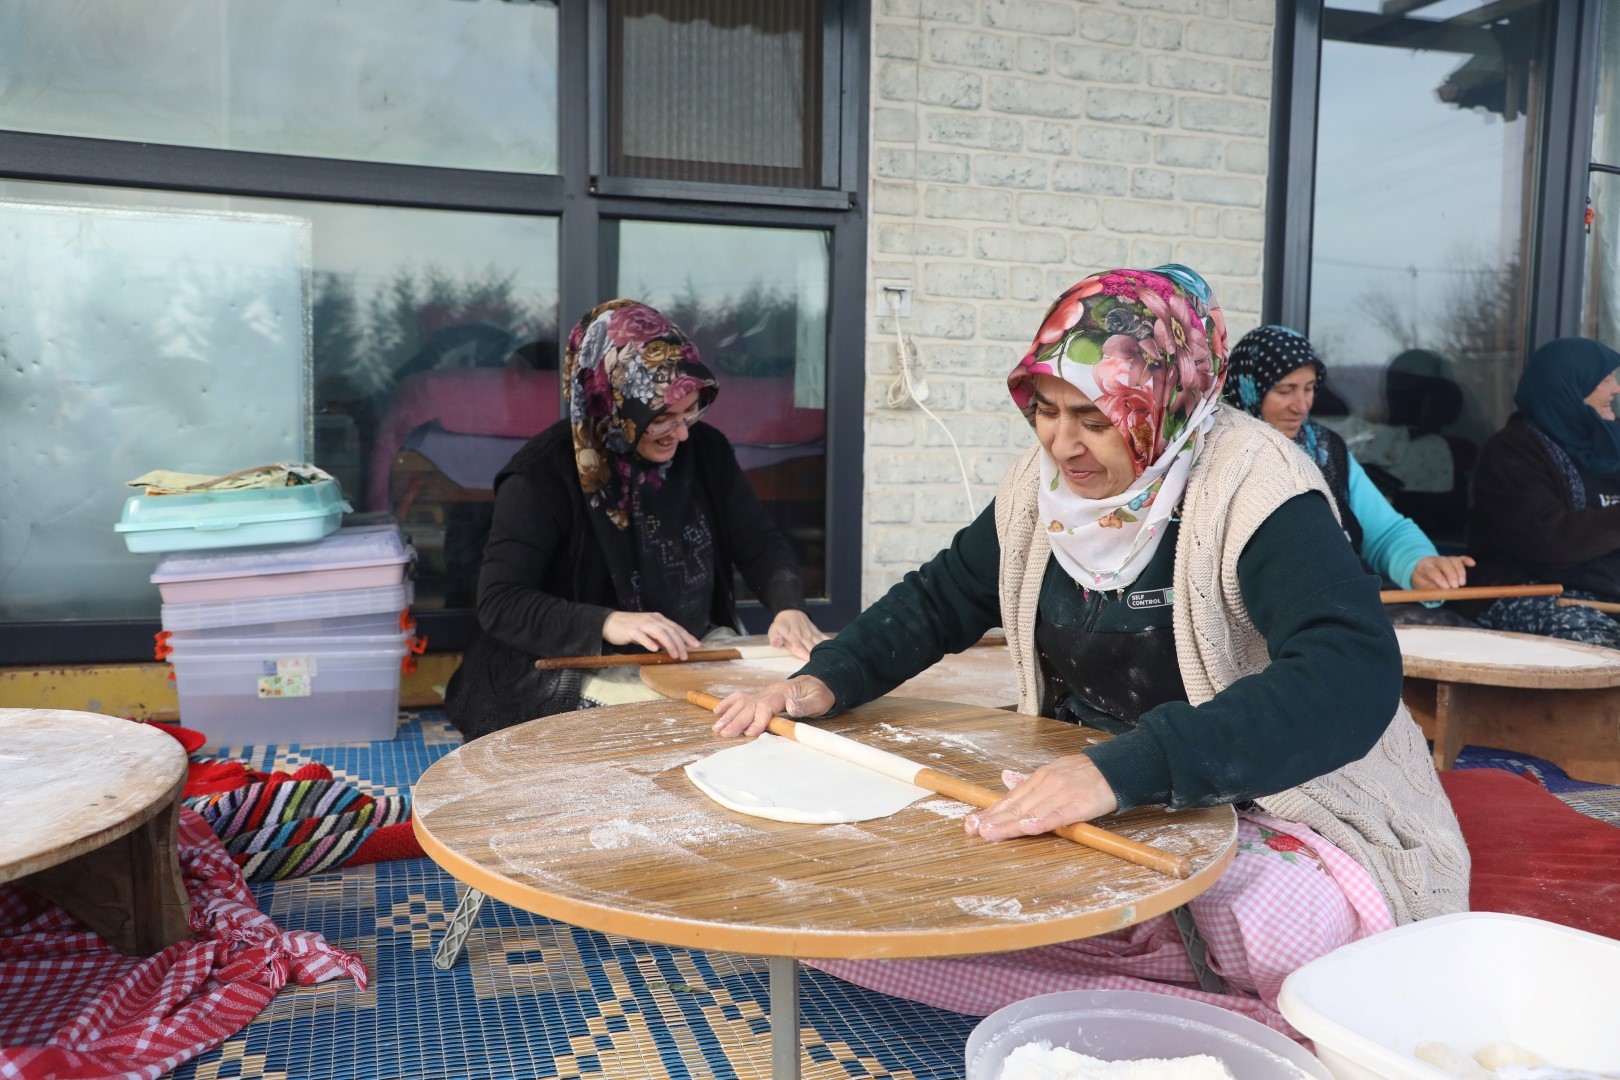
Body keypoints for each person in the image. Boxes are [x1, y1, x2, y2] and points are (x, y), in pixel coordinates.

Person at [709, 268, 1468, 1037]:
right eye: (1044, 410)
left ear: (1165, 403)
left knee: (1267, 922)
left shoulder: (1254, 488)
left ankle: (1164, 992)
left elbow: (1349, 674)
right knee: (890, 886)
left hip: (1274, 795)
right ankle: (1144, 991)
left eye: (1095, 419)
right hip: (1098, 781)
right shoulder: (1041, 494)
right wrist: (822, 680)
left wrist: (1123, 771)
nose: (1060, 443)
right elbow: (941, 598)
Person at [443, 299, 826, 740]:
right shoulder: (542, 475)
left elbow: (757, 540)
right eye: (662, 419)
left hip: (684, 648)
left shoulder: (706, 450)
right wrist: (610, 621)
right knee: (689, 730)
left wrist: (788, 606)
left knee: (767, 708)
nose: (682, 434)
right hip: (563, 663)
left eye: (691, 413)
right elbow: (501, 601)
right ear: (612, 401)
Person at [1223, 326, 1474, 594]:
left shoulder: (1326, 450)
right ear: (1248, 388)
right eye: (1285, 391)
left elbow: (1385, 532)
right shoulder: (1223, 458)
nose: (1301, 405)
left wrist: (1418, 563)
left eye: (1309, 388)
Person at [1467, 337, 1620, 648]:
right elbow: (1548, 541)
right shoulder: (1512, 451)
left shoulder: (1609, 444)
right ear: (1569, 386)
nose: (1616, 388)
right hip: (1531, 591)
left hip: (1607, 595)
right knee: (1598, 649)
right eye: (1605, 380)